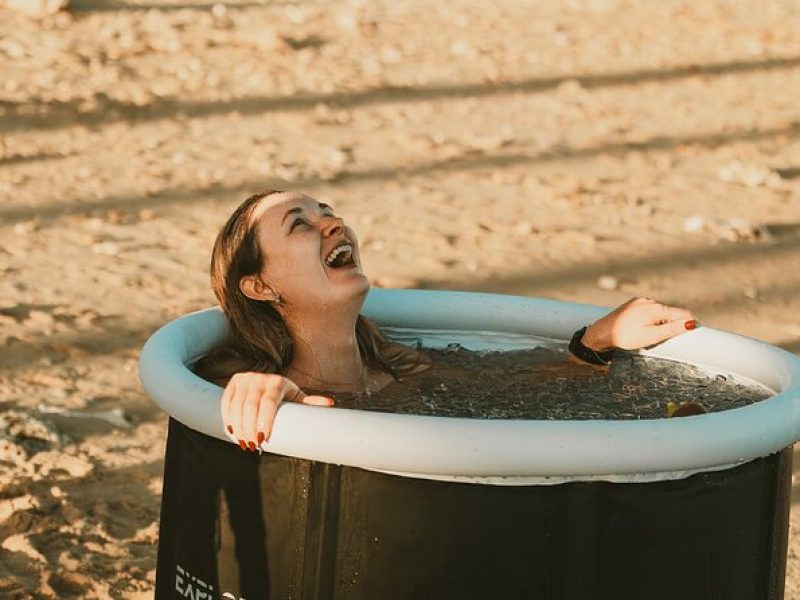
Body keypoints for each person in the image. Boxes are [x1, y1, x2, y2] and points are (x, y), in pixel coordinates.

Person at [194, 189, 698, 453]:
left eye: (327, 211)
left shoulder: (399, 368)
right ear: (259, 287)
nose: (334, 223)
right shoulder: (257, 382)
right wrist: (258, 390)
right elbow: (235, 396)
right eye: (300, 224)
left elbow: (514, 392)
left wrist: (595, 341)